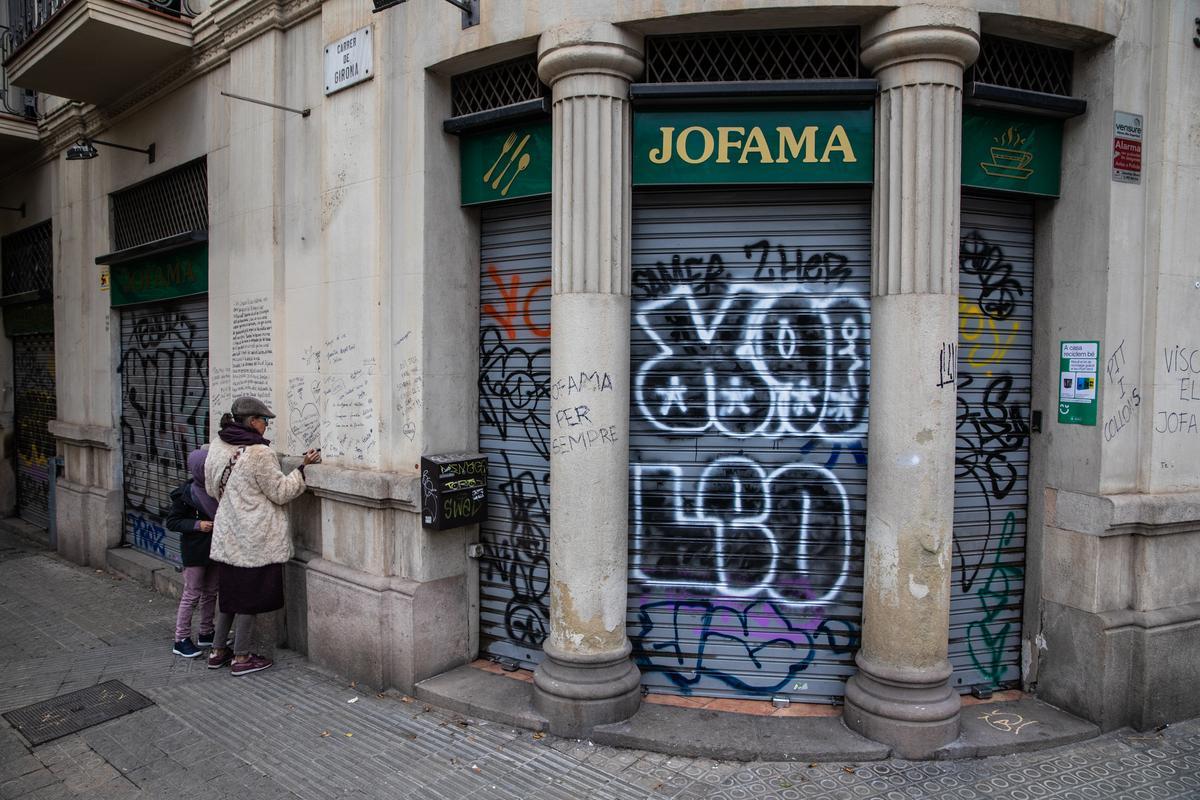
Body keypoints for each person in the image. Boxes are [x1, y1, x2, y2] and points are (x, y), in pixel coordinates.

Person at [204, 396, 320, 676]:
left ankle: (218, 650)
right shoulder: (259, 453)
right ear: (253, 422)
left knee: (229, 595)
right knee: (249, 597)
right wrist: (302, 468)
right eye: (265, 421)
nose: (266, 426)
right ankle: (242, 657)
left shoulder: (219, 446)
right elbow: (281, 492)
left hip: (227, 535)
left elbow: (210, 488)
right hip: (254, 538)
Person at [165, 447, 220, 658]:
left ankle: (206, 632)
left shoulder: (215, 490)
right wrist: (198, 524)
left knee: (211, 591)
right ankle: (181, 639)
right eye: (207, 467)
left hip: (214, 548)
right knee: (192, 594)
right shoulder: (185, 494)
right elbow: (173, 521)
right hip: (195, 551)